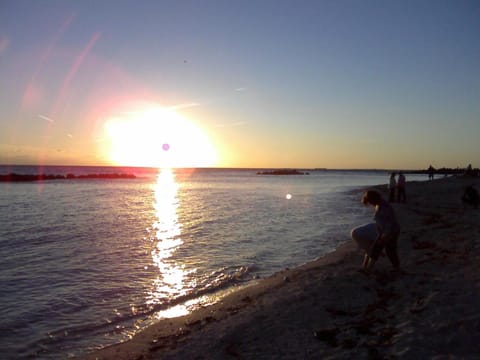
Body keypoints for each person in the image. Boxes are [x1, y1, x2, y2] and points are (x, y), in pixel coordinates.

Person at [351, 190, 401, 273]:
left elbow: (389, 222)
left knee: (390, 251)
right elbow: (381, 222)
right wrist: (380, 232)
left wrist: (385, 235)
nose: (370, 204)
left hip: (391, 231)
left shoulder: (384, 207)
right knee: (376, 250)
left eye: (370, 202)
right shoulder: (379, 204)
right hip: (384, 231)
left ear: (373, 199)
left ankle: (397, 268)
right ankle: (367, 269)